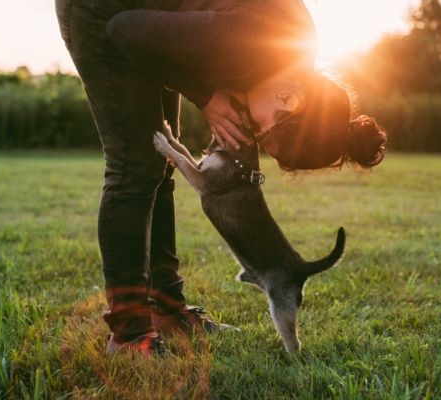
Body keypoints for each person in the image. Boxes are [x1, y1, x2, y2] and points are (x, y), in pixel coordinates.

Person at [55, 0, 386, 357]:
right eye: (262, 131)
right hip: (102, 11)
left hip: (148, 19)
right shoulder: (249, 43)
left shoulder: (294, 55)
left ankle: (167, 310)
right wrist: (205, 95)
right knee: (135, 168)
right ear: (289, 99)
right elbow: (124, 28)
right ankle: (130, 335)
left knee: (160, 165)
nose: (252, 134)